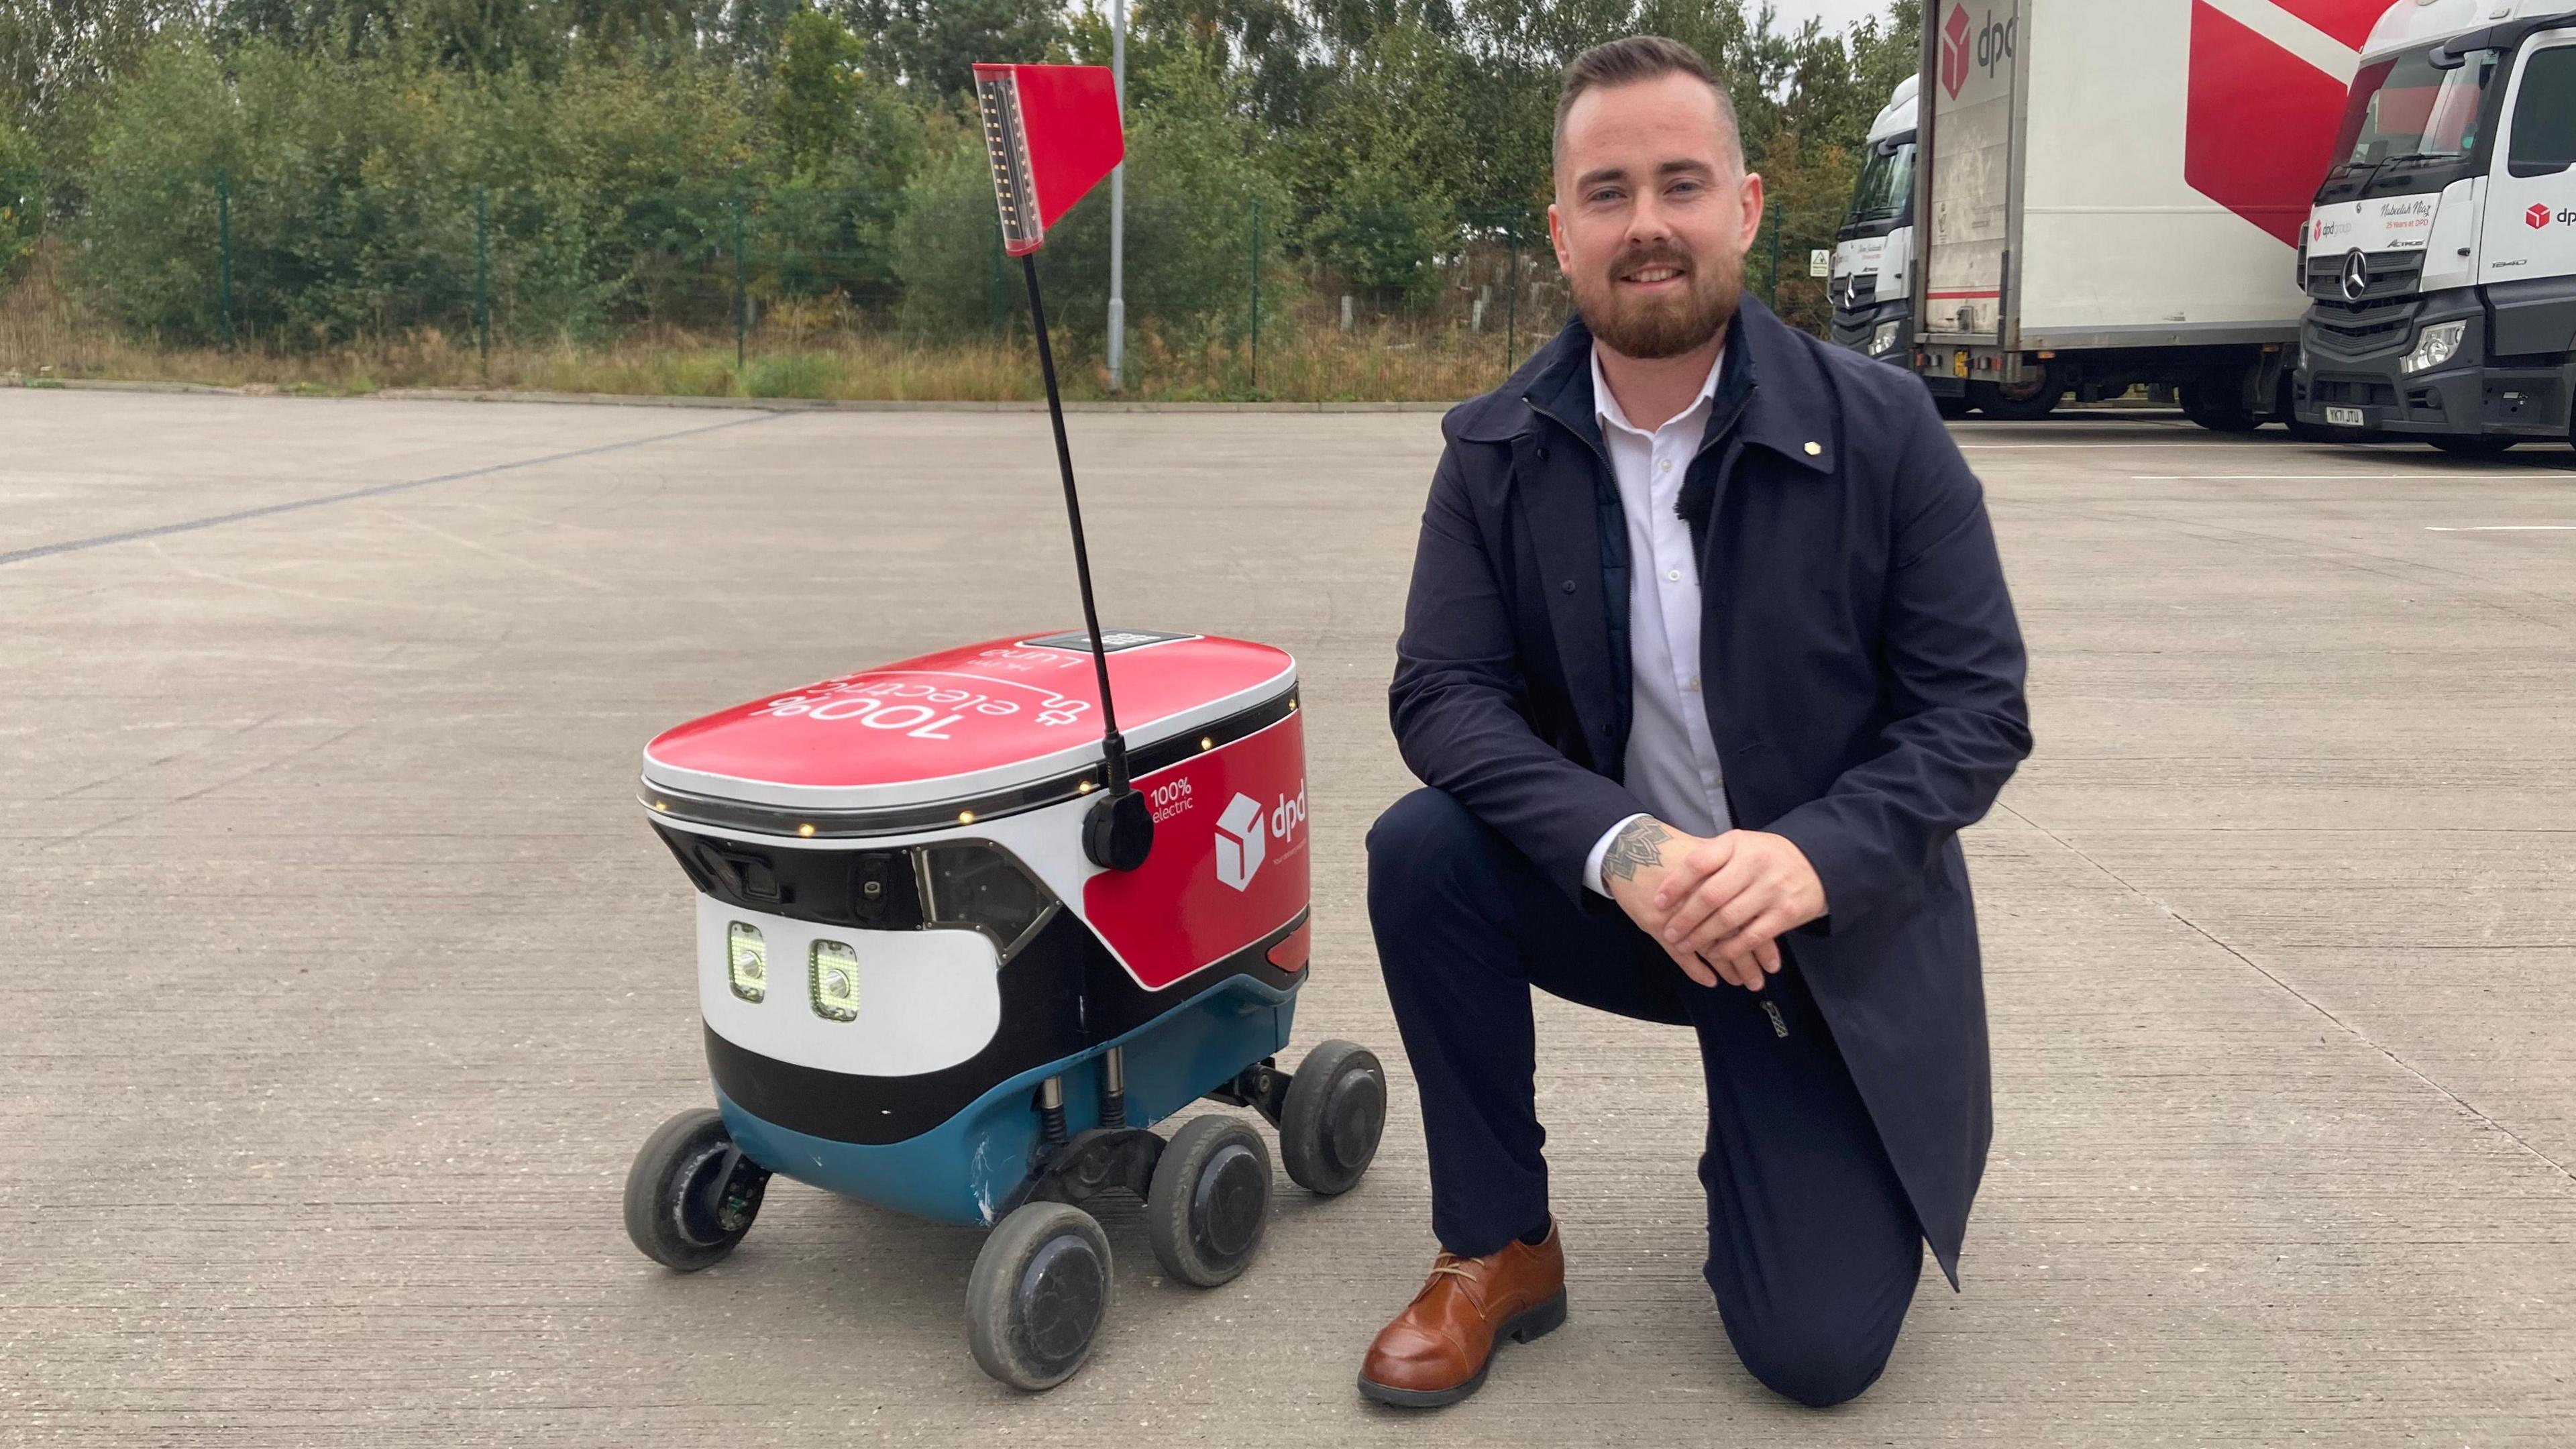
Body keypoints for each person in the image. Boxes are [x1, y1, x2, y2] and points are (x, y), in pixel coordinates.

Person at [1358, 35, 2033, 1411]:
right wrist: (1622, 847)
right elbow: (1444, 695)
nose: (1648, 224)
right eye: (1608, 192)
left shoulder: (1885, 428)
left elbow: (1976, 708)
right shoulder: (1494, 449)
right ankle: (1499, 1245)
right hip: (1631, 899)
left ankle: (1775, 1129)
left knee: (1814, 1355)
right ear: (1561, 231)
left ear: (1749, 205)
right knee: (1422, 852)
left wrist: (1812, 860)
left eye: (1682, 183)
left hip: (1819, 931)